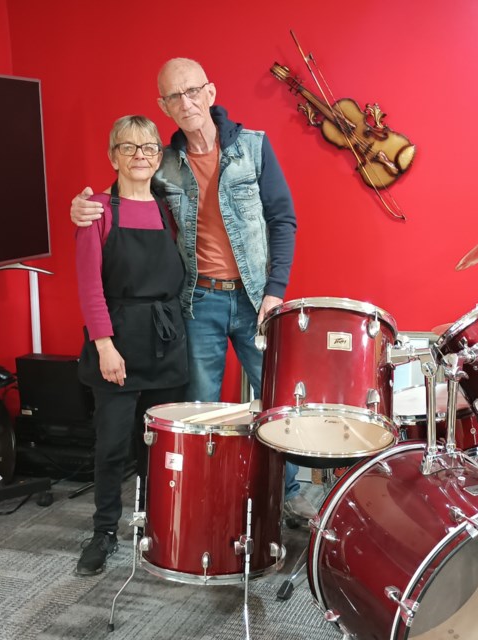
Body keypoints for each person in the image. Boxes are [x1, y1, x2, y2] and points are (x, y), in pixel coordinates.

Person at [71, 58, 316, 522]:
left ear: (210, 92)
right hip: (196, 302)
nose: (185, 104)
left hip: (255, 300)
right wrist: (83, 208)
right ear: (163, 105)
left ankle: (289, 493)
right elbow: (126, 193)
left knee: (278, 398)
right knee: (199, 409)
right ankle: (207, 495)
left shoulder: (254, 148)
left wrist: (275, 291)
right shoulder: (163, 160)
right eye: (173, 97)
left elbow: (282, 219)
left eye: (191, 92)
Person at [73, 115, 190, 576]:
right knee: (112, 446)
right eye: (129, 147)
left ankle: (153, 523)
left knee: (158, 447)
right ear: (112, 156)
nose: (140, 155)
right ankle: (104, 530)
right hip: (117, 342)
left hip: (166, 341)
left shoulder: (169, 210)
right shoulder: (97, 211)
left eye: (148, 148)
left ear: (158, 156)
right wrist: (105, 346)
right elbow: (89, 288)